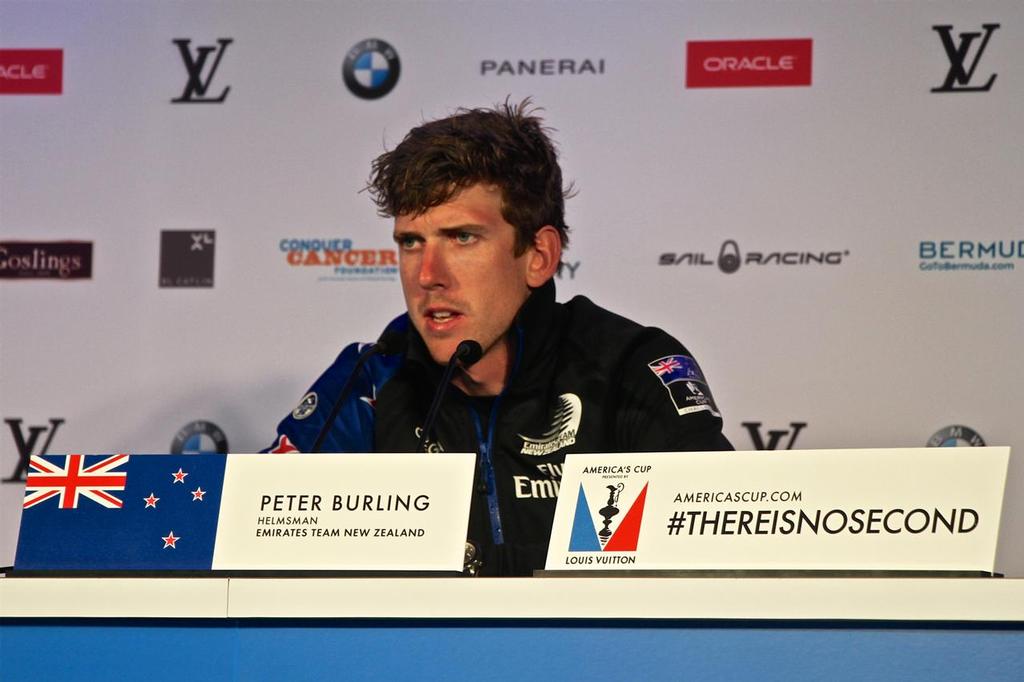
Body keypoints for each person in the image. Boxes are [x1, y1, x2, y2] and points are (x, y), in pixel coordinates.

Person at [265, 100, 732, 576]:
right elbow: (254, 540)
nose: (428, 275)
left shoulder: (628, 368)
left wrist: (474, 565)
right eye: (411, 242)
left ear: (538, 256)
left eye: (462, 238)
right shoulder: (373, 376)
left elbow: (711, 555)